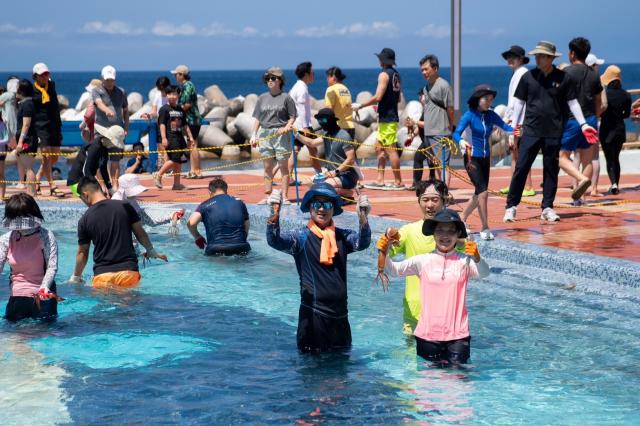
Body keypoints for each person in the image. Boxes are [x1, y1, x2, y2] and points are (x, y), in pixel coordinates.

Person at [266, 182, 371, 352]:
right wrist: (273, 214)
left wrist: (363, 218)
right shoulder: (300, 238)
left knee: (342, 371)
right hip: (314, 317)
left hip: (341, 317)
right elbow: (274, 241)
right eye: (317, 204)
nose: (322, 209)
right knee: (312, 372)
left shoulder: (342, 237)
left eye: (327, 204)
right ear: (310, 207)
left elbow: (362, 243)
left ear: (334, 208)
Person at [503, 41, 598, 223]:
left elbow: (573, 103)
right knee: (521, 168)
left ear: (551, 58)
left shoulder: (564, 78)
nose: (537, 59)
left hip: (554, 132)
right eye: (536, 56)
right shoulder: (528, 77)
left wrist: (584, 124)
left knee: (551, 170)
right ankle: (511, 207)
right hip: (530, 131)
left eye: (541, 56)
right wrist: (511, 131)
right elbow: (518, 104)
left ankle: (547, 207)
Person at [382, 209, 490, 366]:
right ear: (433, 233)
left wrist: (477, 257)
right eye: (439, 230)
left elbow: (485, 273)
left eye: (451, 231)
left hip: (458, 336)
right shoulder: (423, 261)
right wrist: (384, 251)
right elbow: (394, 270)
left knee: (459, 383)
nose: (445, 236)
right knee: (429, 383)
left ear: (458, 234)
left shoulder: (464, 262)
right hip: (427, 335)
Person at [70, 176, 167, 287]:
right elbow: (140, 232)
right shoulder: (125, 206)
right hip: (128, 273)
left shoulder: (84, 220)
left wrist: (76, 276)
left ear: (85, 195)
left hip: (102, 276)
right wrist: (150, 250)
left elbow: (82, 252)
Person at [389, 179, 459, 331]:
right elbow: (387, 253)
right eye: (425, 200)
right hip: (414, 314)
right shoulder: (409, 231)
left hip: (446, 312)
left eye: (435, 199)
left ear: (445, 199)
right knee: (411, 353)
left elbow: (471, 263)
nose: (430, 205)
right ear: (419, 201)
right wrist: (387, 240)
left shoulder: (457, 234)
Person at [454, 85, 513, 240]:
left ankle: (461, 219)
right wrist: (461, 142)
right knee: (483, 192)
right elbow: (456, 133)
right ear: (477, 99)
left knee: (479, 193)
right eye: (486, 98)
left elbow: (506, 127)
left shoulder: (491, 115)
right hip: (471, 158)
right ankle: (485, 227)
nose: (489, 101)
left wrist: (518, 130)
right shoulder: (469, 115)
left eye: (491, 99)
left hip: (486, 159)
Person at [1, 193, 59, 322]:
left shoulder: (46, 236)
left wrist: (44, 287)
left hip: (43, 296)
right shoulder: (6, 239)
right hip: (17, 296)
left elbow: (52, 266)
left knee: (43, 336)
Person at [559, 37, 603, 204]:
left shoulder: (566, 73)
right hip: (591, 119)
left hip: (571, 120)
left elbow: (560, 99)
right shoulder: (594, 74)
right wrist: (596, 117)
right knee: (588, 158)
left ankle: (580, 179)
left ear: (572, 53)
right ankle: (582, 199)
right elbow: (598, 99)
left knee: (562, 157)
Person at [353, 48, 403, 189]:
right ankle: (380, 179)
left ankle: (398, 181)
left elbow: (378, 97)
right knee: (379, 148)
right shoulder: (396, 75)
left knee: (390, 149)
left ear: (383, 60)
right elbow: (398, 98)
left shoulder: (383, 75)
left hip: (388, 118)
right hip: (389, 116)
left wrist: (360, 105)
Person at [406, 54, 455, 188]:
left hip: (441, 131)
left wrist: (451, 126)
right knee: (436, 164)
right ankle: (441, 192)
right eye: (422, 70)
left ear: (435, 68)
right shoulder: (426, 87)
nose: (424, 72)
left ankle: (444, 193)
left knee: (443, 165)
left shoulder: (443, 85)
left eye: (426, 69)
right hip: (428, 133)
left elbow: (450, 108)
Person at [250, 67, 296, 204]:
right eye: (268, 78)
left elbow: (292, 116)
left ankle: (285, 196)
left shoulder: (286, 98)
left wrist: (286, 128)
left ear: (280, 81)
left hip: (281, 134)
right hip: (265, 133)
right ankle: (269, 195)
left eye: (273, 78)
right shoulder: (262, 98)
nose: (270, 80)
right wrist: (253, 135)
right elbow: (258, 118)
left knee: (283, 167)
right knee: (267, 167)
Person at [296, 108, 359, 197]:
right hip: (331, 174)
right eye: (319, 120)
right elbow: (312, 143)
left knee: (323, 186)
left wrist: (336, 172)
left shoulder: (344, 136)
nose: (321, 122)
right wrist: (296, 134)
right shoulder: (326, 135)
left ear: (331, 120)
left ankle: (348, 193)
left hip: (347, 175)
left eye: (323, 120)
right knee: (309, 183)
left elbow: (351, 159)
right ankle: (338, 193)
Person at [500, 45, 535, 197]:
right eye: (508, 57)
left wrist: (509, 118)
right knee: (515, 153)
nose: (509, 60)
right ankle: (514, 184)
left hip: (519, 120)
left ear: (521, 59)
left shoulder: (522, 74)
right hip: (517, 119)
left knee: (520, 154)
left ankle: (528, 186)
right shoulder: (519, 73)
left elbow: (517, 101)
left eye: (512, 57)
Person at [187, 177, 251, 256]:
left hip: (216, 249)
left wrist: (197, 237)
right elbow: (247, 224)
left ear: (210, 192)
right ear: (226, 190)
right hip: (241, 247)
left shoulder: (205, 204)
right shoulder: (239, 202)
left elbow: (191, 223)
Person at [93, 65, 129, 193]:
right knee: (98, 160)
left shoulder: (121, 92)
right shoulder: (96, 90)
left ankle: (115, 186)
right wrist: (106, 110)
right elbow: (98, 103)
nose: (109, 82)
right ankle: (102, 186)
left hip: (116, 130)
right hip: (101, 129)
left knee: (115, 160)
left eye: (112, 80)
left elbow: (125, 110)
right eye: (107, 79)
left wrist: (126, 127)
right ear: (102, 78)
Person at [32, 63, 64, 197]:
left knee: (54, 158)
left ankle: (38, 178)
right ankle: (52, 185)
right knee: (46, 156)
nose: (45, 76)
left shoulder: (51, 86)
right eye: (42, 74)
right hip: (41, 126)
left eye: (47, 73)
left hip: (54, 125)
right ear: (35, 76)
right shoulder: (32, 91)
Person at [153, 85, 194, 190]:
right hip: (170, 137)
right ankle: (159, 174)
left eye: (174, 94)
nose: (172, 96)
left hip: (180, 137)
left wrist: (190, 137)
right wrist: (163, 138)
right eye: (170, 94)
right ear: (166, 95)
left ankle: (176, 184)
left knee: (179, 160)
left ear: (178, 95)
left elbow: (185, 125)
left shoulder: (180, 109)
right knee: (174, 159)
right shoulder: (164, 109)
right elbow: (161, 124)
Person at [288, 61, 322, 188]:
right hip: (303, 125)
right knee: (313, 150)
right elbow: (302, 109)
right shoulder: (302, 88)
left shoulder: (296, 86)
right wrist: (306, 128)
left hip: (296, 124)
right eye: (312, 73)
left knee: (295, 151)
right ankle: (319, 175)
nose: (314, 75)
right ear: (307, 74)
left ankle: (289, 176)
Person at [599, 65, 631, 194]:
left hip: (606, 129)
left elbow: (601, 111)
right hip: (619, 129)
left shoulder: (605, 95)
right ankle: (616, 183)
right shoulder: (626, 95)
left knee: (609, 158)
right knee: (616, 157)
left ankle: (613, 183)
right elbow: (627, 114)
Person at [112, 173, 184, 228]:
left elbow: (149, 222)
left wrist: (170, 217)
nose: (137, 193)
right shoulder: (115, 203)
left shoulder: (132, 200)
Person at [172, 65, 202, 179]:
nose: (175, 77)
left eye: (176, 75)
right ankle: (194, 170)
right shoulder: (187, 85)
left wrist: (176, 110)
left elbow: (188, 104)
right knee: (192, 144)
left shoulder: (187, 86)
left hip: (191, 120)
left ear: (181, 75)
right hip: (193, 119)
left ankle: (196, 171)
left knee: (192, 144)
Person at [15, 79, 39, 196]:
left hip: (27, 140)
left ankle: (31, 193)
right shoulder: (25, 103)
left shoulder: (28, 104)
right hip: (27, 138)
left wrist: (20, 142)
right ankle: (30, 192)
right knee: (27, 166)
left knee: (28, 167)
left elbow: (26, 124)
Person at [324, 67, 355, 138]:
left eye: (328, 77)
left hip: (338, 129)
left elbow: (328, 111)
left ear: (333, 77)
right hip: (350, 127)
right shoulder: (346, 89)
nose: (327, 80)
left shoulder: (331, 89)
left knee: (333, 149)